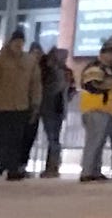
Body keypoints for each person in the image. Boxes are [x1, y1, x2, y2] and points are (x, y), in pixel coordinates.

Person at [0, 29, 39, 180]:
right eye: (16, 42)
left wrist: (35, 103)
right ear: (11, 42)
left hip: (21, 106)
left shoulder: (29, 61)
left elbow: (35, 84)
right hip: (0, 106)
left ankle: (12, 169)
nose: (19, 45)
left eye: (21, 42)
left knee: (16, 140)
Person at [78, 40, 112, 182]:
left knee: (99, 143)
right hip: (94, 109)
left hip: (105, 110)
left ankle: (95, 171)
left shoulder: (106, 68)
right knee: (94, 142)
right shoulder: (94, 67)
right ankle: (87, 172)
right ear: (106, 54)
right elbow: (92, 84)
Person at [38, 45, 71, 178]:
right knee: (54, 138)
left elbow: (58, 89)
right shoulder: (60, 72)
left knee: (53, 138)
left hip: (51, 108)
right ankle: (52, 165)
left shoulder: (53, 72)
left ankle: (52, 166)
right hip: (55, 108)